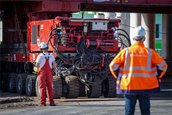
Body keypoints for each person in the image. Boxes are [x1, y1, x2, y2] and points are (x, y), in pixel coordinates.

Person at [109, 26, 168, 115]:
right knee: (145, 112)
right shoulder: (150, 52)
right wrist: (157, 77)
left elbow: (112, 66)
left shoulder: (126, 52)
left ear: (133, 38)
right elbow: (163, 66)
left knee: (129, 111)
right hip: (145, 86)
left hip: (129, 86)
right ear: (144, 38)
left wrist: (119, 77)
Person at [35, 42, 57, 106]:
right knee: (50, 88)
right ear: (47, 48)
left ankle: (43, 103)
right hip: (49, 73)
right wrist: (53, 70)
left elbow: (37, 65)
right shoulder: (51, 55)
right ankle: (51, 102)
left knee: (42, 88)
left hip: (42, 73)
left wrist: (37, 70)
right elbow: (54, 64)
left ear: (41, 49)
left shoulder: (40, 56)